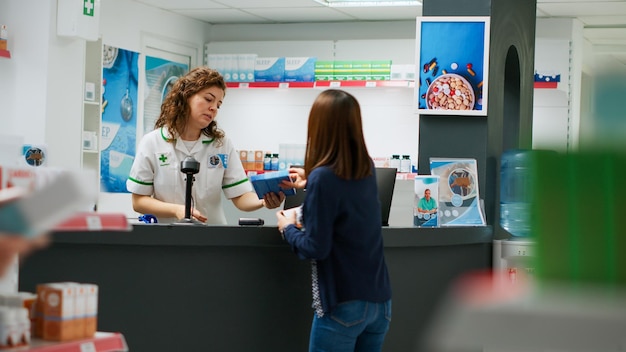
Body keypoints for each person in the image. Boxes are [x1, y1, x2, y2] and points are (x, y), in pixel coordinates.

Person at [276, 89, 392, 352]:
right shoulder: (367, 168)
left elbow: (315, 247)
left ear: (318, 127)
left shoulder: (324, 178)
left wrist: (287, 228)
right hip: (380, 303)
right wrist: (310, 180)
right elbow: (343, 192)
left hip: (343, 304)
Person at [127, 66, 284, 224]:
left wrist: (263, 201)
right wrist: (176, 209)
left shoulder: (221, 145)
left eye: (218, 104)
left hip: (212, 238)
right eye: (209, 99)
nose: (214, 108)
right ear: (186, 95)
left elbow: (240, 196)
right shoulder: (153, 142)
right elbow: (139, 201)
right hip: (169, 239)